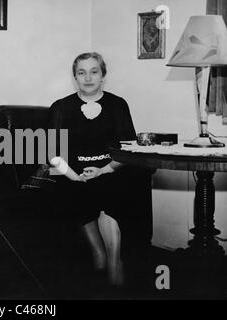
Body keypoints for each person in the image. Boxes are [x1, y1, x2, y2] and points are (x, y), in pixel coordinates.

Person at [48, 52, 136, 286]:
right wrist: (72, 175)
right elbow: (52, 153)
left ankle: (115, 262)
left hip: (108, 168)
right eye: (81, 72)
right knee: (74, 189)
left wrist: (104, 169)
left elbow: (128, 149)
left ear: (103, 76)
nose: (88, 77)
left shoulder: (118, 105)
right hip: (71, 171)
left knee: (106, 188)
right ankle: (98, 253)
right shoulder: (61, 107)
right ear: (75, 77)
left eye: (94, 71)